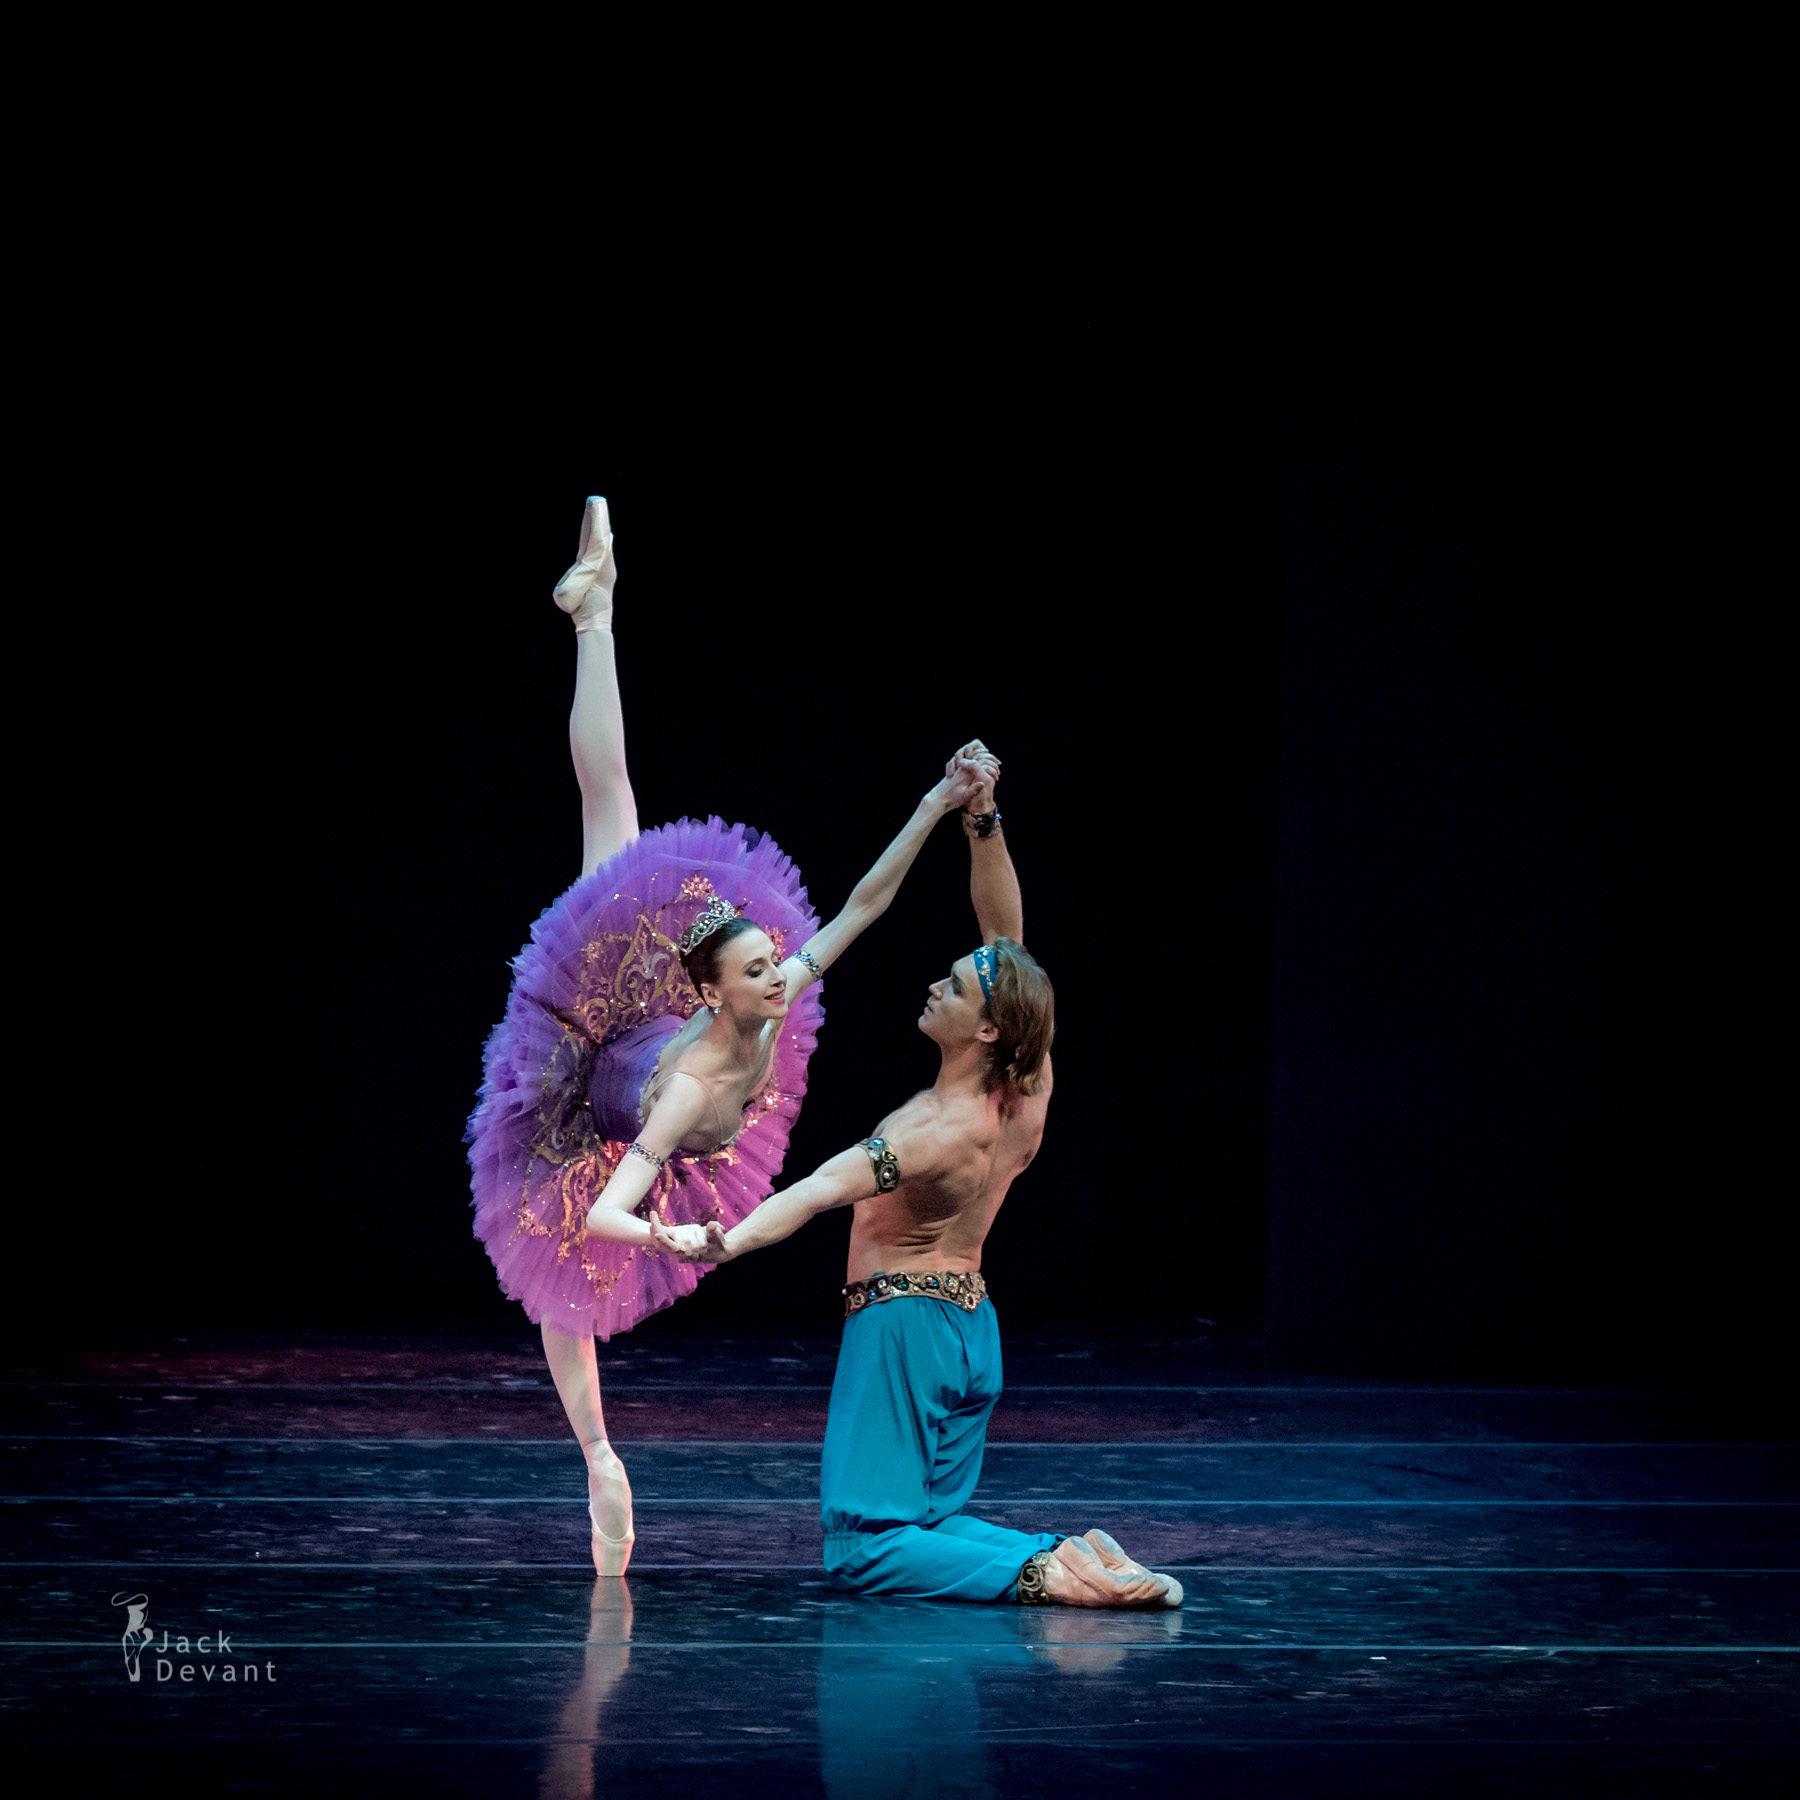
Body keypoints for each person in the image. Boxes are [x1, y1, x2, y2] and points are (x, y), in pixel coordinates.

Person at [465, 497, 993, 1577]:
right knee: (559, 1272)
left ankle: (595, 612)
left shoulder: (772, 994)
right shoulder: (689, 1093)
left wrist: (939, 805)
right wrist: (677, 1241)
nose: (782, 971)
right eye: (760, 966)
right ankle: (600, 1457)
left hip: (655, 1038)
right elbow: (612, 1213)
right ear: (713, 993)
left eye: (775, 963)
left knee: (614, 807)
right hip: (602, 1080)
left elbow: (858, 908)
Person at [680, 758, 1184, 1608]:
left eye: (951, 987)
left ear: (985, 1026)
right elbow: (1006, 938)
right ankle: (1074, 1552)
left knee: (864, 1546)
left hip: (902, 1332)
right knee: (920, 1521)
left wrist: (713, 1240)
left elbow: (811, 1193)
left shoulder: (927, 1134)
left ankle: (1047, 1573)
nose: (934, 985)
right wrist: (981, 819)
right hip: (969, 1326)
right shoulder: (1028, 1084)